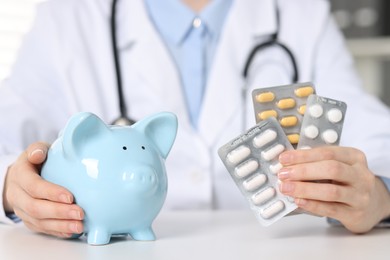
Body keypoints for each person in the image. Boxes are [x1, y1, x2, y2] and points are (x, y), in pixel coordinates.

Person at [1, 0, 390, 239]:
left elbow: (375, 138)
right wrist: (11, 188)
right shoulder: (66, 18)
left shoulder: (301, 13)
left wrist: (379, 195)